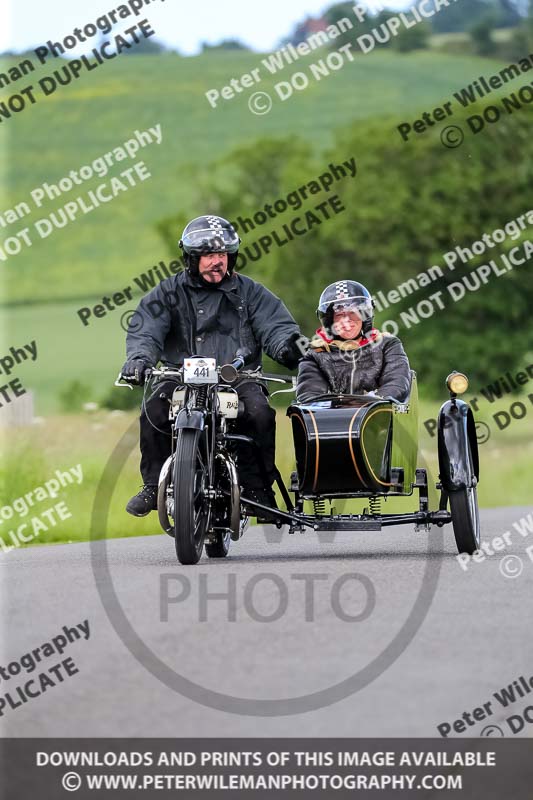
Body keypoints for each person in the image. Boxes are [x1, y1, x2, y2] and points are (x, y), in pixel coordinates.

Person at [121, 214, 304, 517]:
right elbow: (146, 328)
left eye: (221, 255)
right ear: (191, 258)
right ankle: (154, 486)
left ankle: (257, 490)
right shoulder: (167, 293)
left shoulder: (252, 293)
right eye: (207, 255)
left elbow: (278, 328)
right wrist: (139, 360)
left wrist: (292, 348)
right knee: (154, 410)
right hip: (179, 375)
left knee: (258, 413)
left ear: (231, 257)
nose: (216, 261)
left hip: (238, 376)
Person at [296, 280, 411, 403]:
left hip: (378, 417)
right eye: (339, 315)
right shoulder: (315, 353)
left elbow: (397, 383)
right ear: (330, 321)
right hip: (332, 420)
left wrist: (370, 403)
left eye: (354, 313)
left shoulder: (387, 344)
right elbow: (309, 396)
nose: (347, 321)